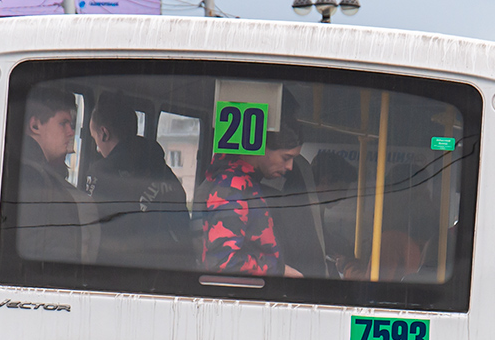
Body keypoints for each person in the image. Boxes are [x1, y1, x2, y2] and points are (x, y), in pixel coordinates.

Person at [84, 95, 190, 264]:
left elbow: (91, 231)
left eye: (95, 139)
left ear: (104, 134)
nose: (97, 149)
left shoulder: (101, 175)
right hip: (175, 267)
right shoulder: (164, 170)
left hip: (126, 271)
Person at [200, 127, 304, 277]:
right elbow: (221, 263)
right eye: (285, 158)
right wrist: (279, 271)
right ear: (262, 149)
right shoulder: (233, 187)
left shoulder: (244, 182)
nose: (290, 167)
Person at [16, 87, 96, 265]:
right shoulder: (35, 183)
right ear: (35, 125)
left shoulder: (20, 172)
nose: (70, 132)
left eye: (72, 125)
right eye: (63, 123)